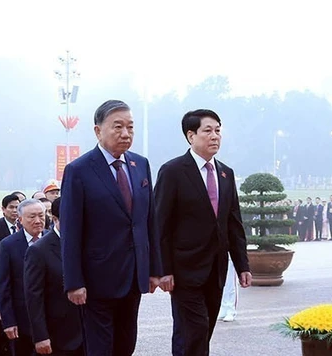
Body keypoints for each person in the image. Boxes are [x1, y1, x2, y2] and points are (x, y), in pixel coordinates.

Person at [60, 100, 160, 356]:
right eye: (118, 127)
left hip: (134, 275)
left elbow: (148, 221)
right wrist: (73, 282)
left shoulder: (141, 165)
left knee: (126, 345)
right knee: (100, 348)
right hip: (97, 280)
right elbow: (71, 231)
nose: (125, 134)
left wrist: (154, 269)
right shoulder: (79, 171)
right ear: (98, 130)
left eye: (130, 127)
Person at [154, 109, 252, 356]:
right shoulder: (173, 171)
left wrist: (243, 265)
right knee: (194, 330)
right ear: (191, 135)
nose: (215, 136)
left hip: (216, 269)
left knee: (201, 331)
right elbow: (160, 225)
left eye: (218, 130)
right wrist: (162, 269)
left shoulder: (225, 173)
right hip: (184, 270)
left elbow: (233, 223)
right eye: (207, 130)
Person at [23, 198, 82, 356]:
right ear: (55, 219)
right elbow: (34, 297)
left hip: (90, 330)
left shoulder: (88, 243)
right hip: (58, 335)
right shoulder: (39, 250)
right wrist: (40, 336)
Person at [0, 199, 46, 356]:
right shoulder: (8, 245)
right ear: (20, 219)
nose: (38, 221)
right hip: (22, 319)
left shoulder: (54, 241)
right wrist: (8, 321)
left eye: (41, 216)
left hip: (52, 317)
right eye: (32, 216)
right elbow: (4, 285)